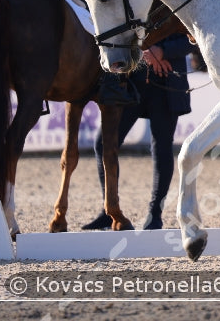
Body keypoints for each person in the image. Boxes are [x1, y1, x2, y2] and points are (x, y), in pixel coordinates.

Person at [82, 32, 197, 230]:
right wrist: (146, 53)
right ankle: (109, 210)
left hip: (166, 82)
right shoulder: (134, 0)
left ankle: (155, 214)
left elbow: (193, 36)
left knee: (161, 147)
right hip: (131, 83)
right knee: (103, 143)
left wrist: (162, 51)